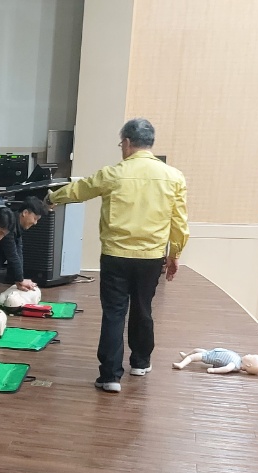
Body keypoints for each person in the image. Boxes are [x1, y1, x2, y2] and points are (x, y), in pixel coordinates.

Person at [47, 118, 188, 393]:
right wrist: (174, 254)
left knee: (114, 313)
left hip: (115, 256)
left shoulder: (113, 174)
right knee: (143, 308)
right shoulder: (173, 177)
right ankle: (140, 362)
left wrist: (52, 198)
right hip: (151, 257)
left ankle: (110, 376)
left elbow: (80, 190)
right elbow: (179, 221)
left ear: (126, 143)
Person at [0, 199, 44, 301]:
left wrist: (20, 279)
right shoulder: (9, 223)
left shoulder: (17, 227)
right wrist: (20, 279)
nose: (35, 223)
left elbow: (18, 252)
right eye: (35, 218)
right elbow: (12, 255)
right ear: (25, 213)